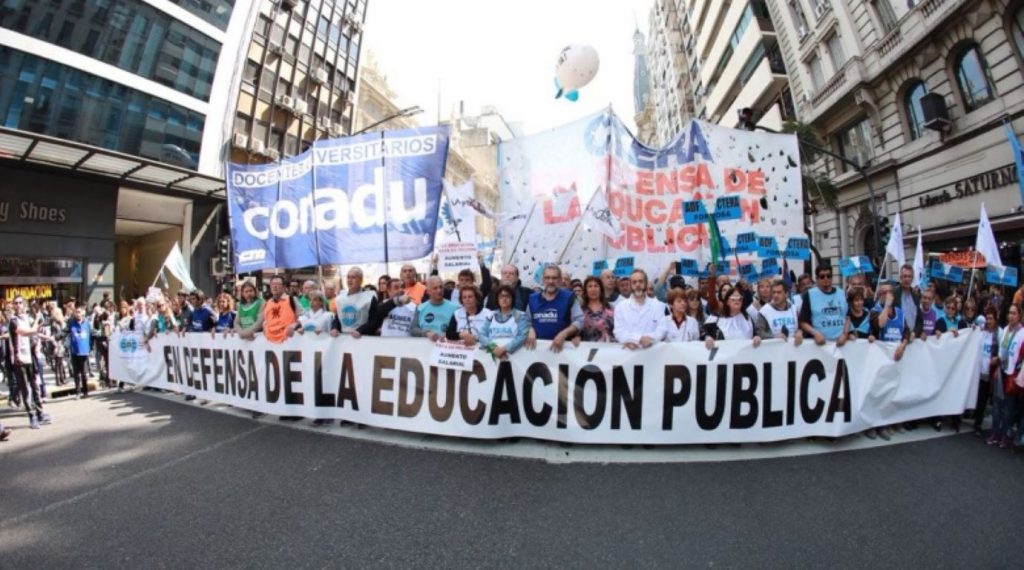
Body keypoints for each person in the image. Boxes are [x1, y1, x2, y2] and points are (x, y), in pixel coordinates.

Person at [8, 296, 52, 429]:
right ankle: (32, 416)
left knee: (35, 386)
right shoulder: (13, 321)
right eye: (15, 303)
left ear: (24, 305)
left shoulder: (27, 318)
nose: (18, 305)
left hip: (31, 357)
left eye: (20, 303)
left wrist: (47, 337)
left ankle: (40, 413)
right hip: (20, 359)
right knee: (25, 389)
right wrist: (37, 319)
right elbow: (27, 332)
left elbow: (37, 331)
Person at [525, 265, 582, 353]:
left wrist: (564, 333)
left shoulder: (569, 297)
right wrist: (530, 329)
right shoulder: (533, 299)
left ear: (560, 280)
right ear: (543, 280)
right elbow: (526, 321)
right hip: (537, 351)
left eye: (554, 278)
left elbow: (579, 320)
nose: (550, 281)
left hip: (563, 351)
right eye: (547, 278)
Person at [990, 303, 1024, 449]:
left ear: (1019, 316)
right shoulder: (1004, 330)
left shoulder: (1022, 333)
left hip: (1012, 374)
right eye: (1010, 313)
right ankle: (995, 433)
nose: (1011, 316)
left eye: (1014, 313)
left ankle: (1004, 435)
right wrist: (997, 359)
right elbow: (999, 350)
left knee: (1008, 407)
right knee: (997, 403)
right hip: (1001, 370)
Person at [614, 269, 667, 349]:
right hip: (629, 351)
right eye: (634, 282)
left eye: (641, 281)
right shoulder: (620, 307)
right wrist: (638, 339)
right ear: (630, 285)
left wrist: (649, 339)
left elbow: (662, 329)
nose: (638, 285)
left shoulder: (658, 306)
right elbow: (619, 331)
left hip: (653, 351)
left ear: (646, 284)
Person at [799, 265, 848, 344]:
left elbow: (848, 317)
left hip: (841, 343)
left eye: (829, 276)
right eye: (822, 277)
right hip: (820, 344)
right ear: (817, 279)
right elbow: (803, 322)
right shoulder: (809, 295)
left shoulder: (842, 293)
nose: (826, 279)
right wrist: (815, 333)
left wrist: (845, 334)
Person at [479, 284, 531, 359]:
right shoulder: (491, 315)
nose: (504, 299)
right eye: (501, 296)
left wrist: (504, 349)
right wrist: (493, 347)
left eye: (507, 296)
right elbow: (482, 335)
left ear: (512, 299)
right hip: (492, 357)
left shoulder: (520, 316)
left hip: (515, 357)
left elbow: (522, 336)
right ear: (497, 299)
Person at [704, 285, 762, 350]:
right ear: (727, 301)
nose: (736, 301)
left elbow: (755, 334)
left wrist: (756, 337)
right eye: (733, 299)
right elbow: (704, 334)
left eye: (739, 299)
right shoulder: (715, 318)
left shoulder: (747, 318)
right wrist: (708, 338)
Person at [973, 306, 1000, 437]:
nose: (988, 321)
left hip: (992, 372)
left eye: (991, 318)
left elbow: (1002, 351)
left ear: (995, 319)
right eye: (987, 318)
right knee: (981, 399)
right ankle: (977, 423)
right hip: (980, 372)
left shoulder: (999, 333)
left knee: (994, 400)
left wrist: (997, 359)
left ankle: (996, 428)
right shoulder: (981, 330)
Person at [755, 279, 803, 345]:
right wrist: (774, 337)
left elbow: (801, 326)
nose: (776, 295)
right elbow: (759, 332)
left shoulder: (794, 309)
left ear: (786, 294)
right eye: (774, 292)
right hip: (774, 348)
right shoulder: (764, 311)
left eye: (779, 292)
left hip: (794, 348)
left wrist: (800, 331)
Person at [334, 267, 379, 337]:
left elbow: (374, 321)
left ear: (361, 280)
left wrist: (361, 330)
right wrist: (334, 328)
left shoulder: (369, 298)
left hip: (362, 337)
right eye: (348, 277)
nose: (349, 280)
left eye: (353, 277)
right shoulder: (340, 297)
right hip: (343, 337)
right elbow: (338, 317)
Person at [411, 276, 459, 341]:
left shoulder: (454, 308)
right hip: (424, 345)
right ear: (428, 291)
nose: (439, 290)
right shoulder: (420, 308)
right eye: (435, 288)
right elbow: (413, 329)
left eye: (440, 287)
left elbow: (459, 330)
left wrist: (448, 335)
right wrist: (426, 333)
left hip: (446, 345)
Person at [575, 276, 615, 343]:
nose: (593, 289)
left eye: (596, 286)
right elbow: (576, 330)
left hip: (608, 347)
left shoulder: (611, 308)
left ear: (601, 290)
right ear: (586, 291)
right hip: (586, 347)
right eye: (590, 286)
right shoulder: (580, 310)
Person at [67, 306, 92, 399]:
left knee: (84, 374)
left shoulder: (87, 324)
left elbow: (92, 334)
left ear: (83, 313)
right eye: (76, 312)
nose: (78, 314)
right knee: (76, 374)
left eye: (79, 312)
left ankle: (85, 391)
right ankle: (77, 392)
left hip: (84, 352)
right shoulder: (71, 323)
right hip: (75, 351)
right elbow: (64, 331)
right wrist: (55, 337)